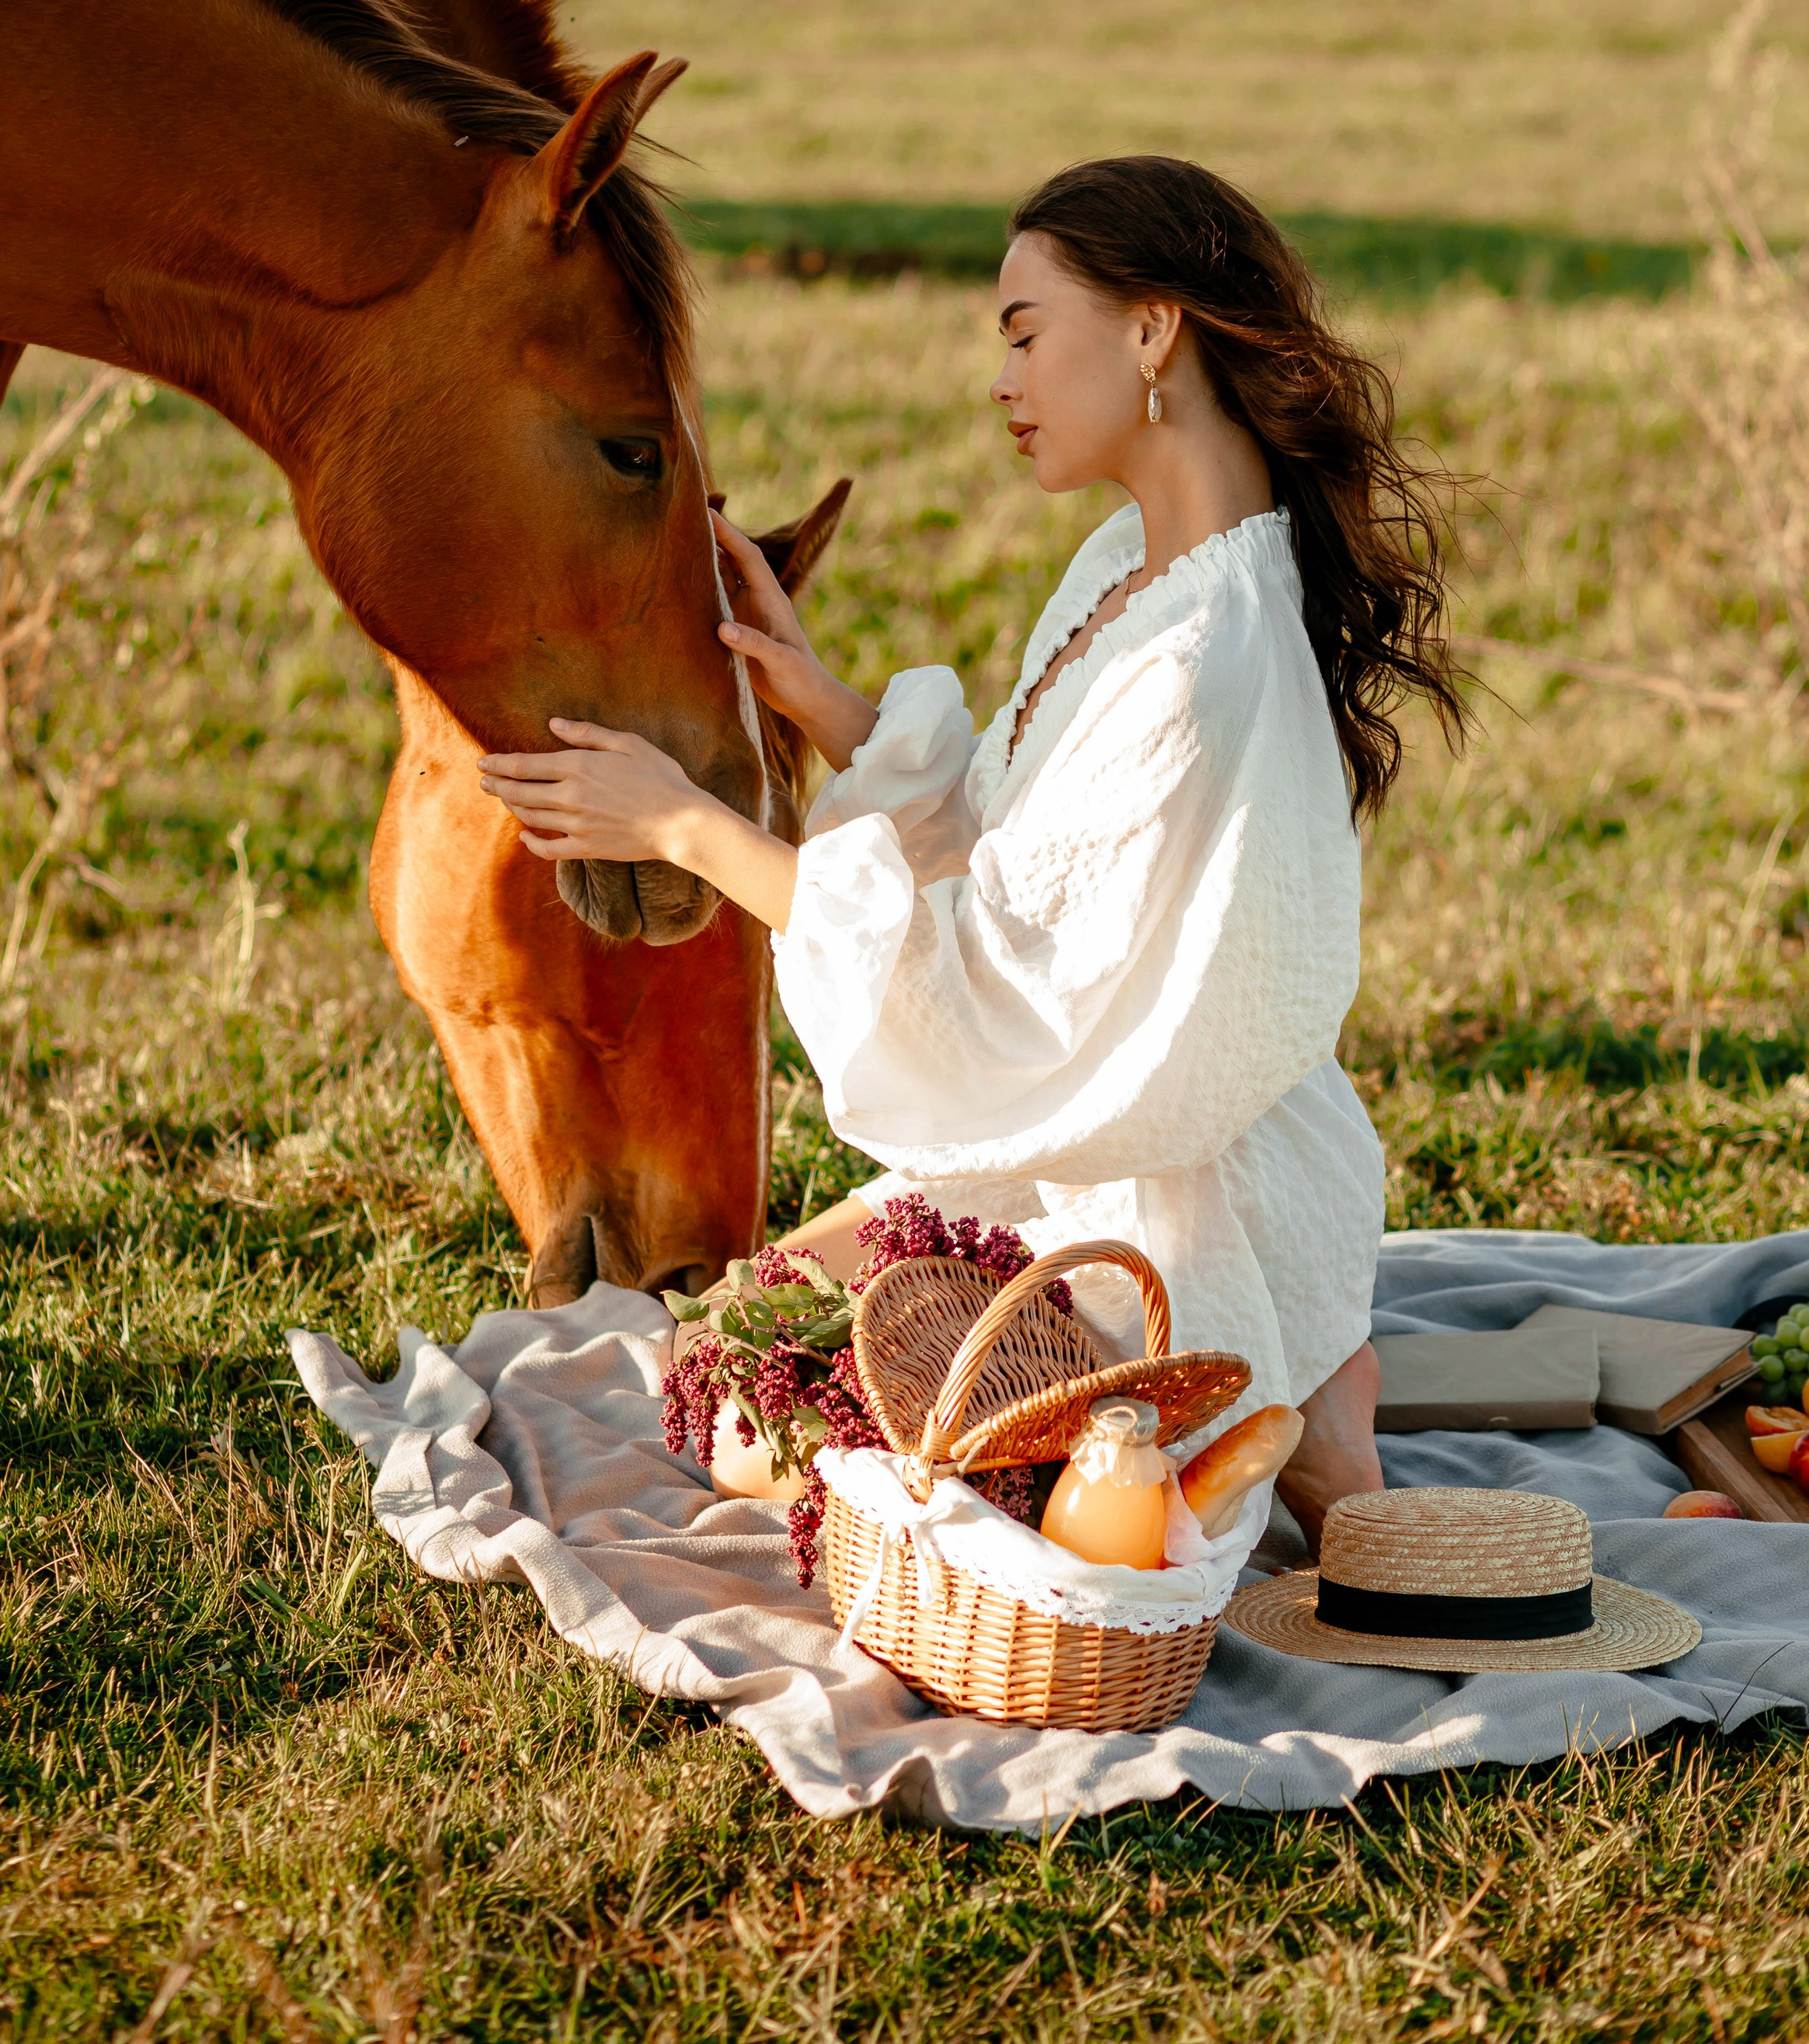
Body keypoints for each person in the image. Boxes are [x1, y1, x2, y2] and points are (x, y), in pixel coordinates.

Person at [479, 155, 1465, 1549]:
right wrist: (817, 696)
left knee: (794, 1442)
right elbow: (1024, 841)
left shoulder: (1201, 653)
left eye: (1022, 332)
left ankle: (1285, 1372)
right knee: (725, 1364)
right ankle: (1301, 1374)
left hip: (1173, 1197)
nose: (999, 380)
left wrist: (686, 827)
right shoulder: (1138, 566)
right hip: (1092, 1136)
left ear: (1149, 332)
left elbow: (998, 985)